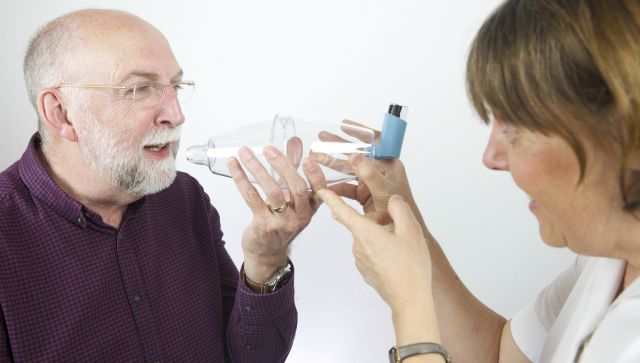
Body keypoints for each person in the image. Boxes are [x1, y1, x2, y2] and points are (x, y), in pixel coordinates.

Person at [318, 0, 640, 362]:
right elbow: (498, 355)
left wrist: (410, 304)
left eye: (516, 124)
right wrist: (403, 220)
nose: (491, 156)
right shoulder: (606, 262)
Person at [0, 9, 327, 362]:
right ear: (62, 113)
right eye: (140, 88)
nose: (176, 113)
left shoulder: (184, 199)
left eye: (175, 86)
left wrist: (266, 261)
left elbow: (253, 358)